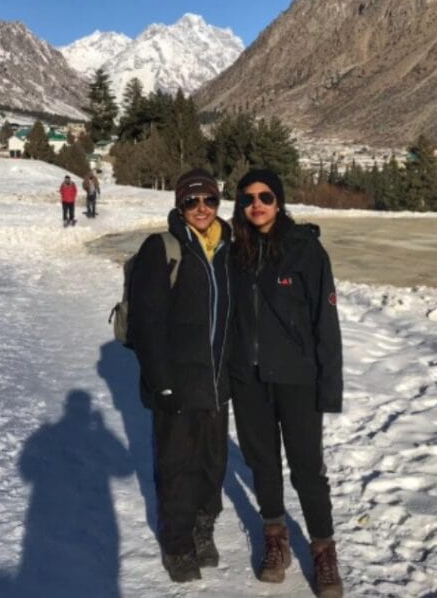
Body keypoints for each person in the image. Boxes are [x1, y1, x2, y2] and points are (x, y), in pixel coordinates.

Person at [229, 169, 344, 598]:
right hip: (249, 379)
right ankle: (275, 536)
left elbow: (325, 326)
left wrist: (329, 388)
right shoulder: (233, 251)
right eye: (247, 198)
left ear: (279, 201)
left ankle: (323, 548)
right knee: (262, 463)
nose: (255, 204)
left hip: (297, 379)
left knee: (307, 468)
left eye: (265, 196)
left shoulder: (306, 251)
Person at [129, 168, 232, 583]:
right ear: (179, 206)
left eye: (208, 200)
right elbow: (146, 323)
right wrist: (162, 381)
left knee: (212, 464)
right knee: (176, 467)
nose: (201, 209)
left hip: (216, 384)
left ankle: (202, 531)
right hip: (176, 384)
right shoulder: (163, 248)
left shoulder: (227, 247)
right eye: (192, 202)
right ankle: (177, 545)